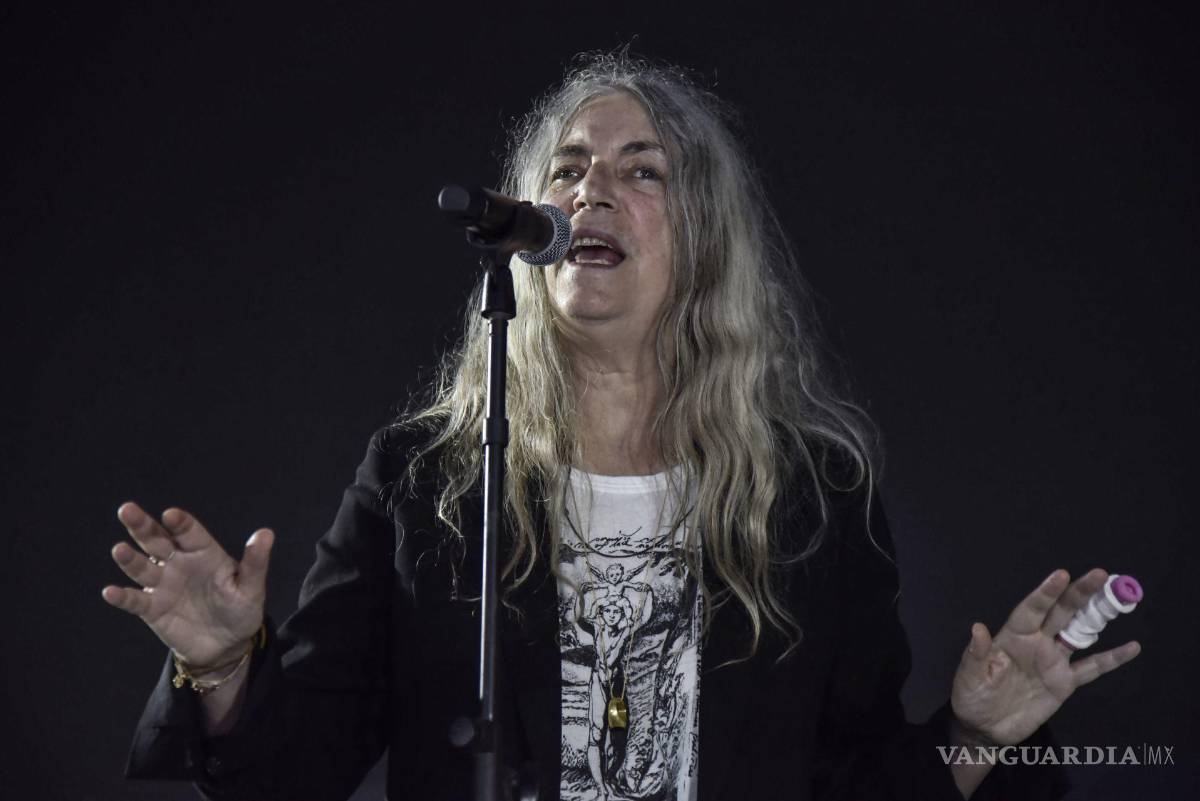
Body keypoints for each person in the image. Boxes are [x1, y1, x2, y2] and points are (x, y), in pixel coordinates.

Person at [102, 52, 1140, 801]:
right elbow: (292, 776)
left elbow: (857, 785)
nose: (591, 188)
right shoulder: (426, 481)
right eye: (567, 168)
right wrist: (228, 665)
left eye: (643, 170)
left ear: (704, 241)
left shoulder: (810, 494)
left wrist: (974, 733)